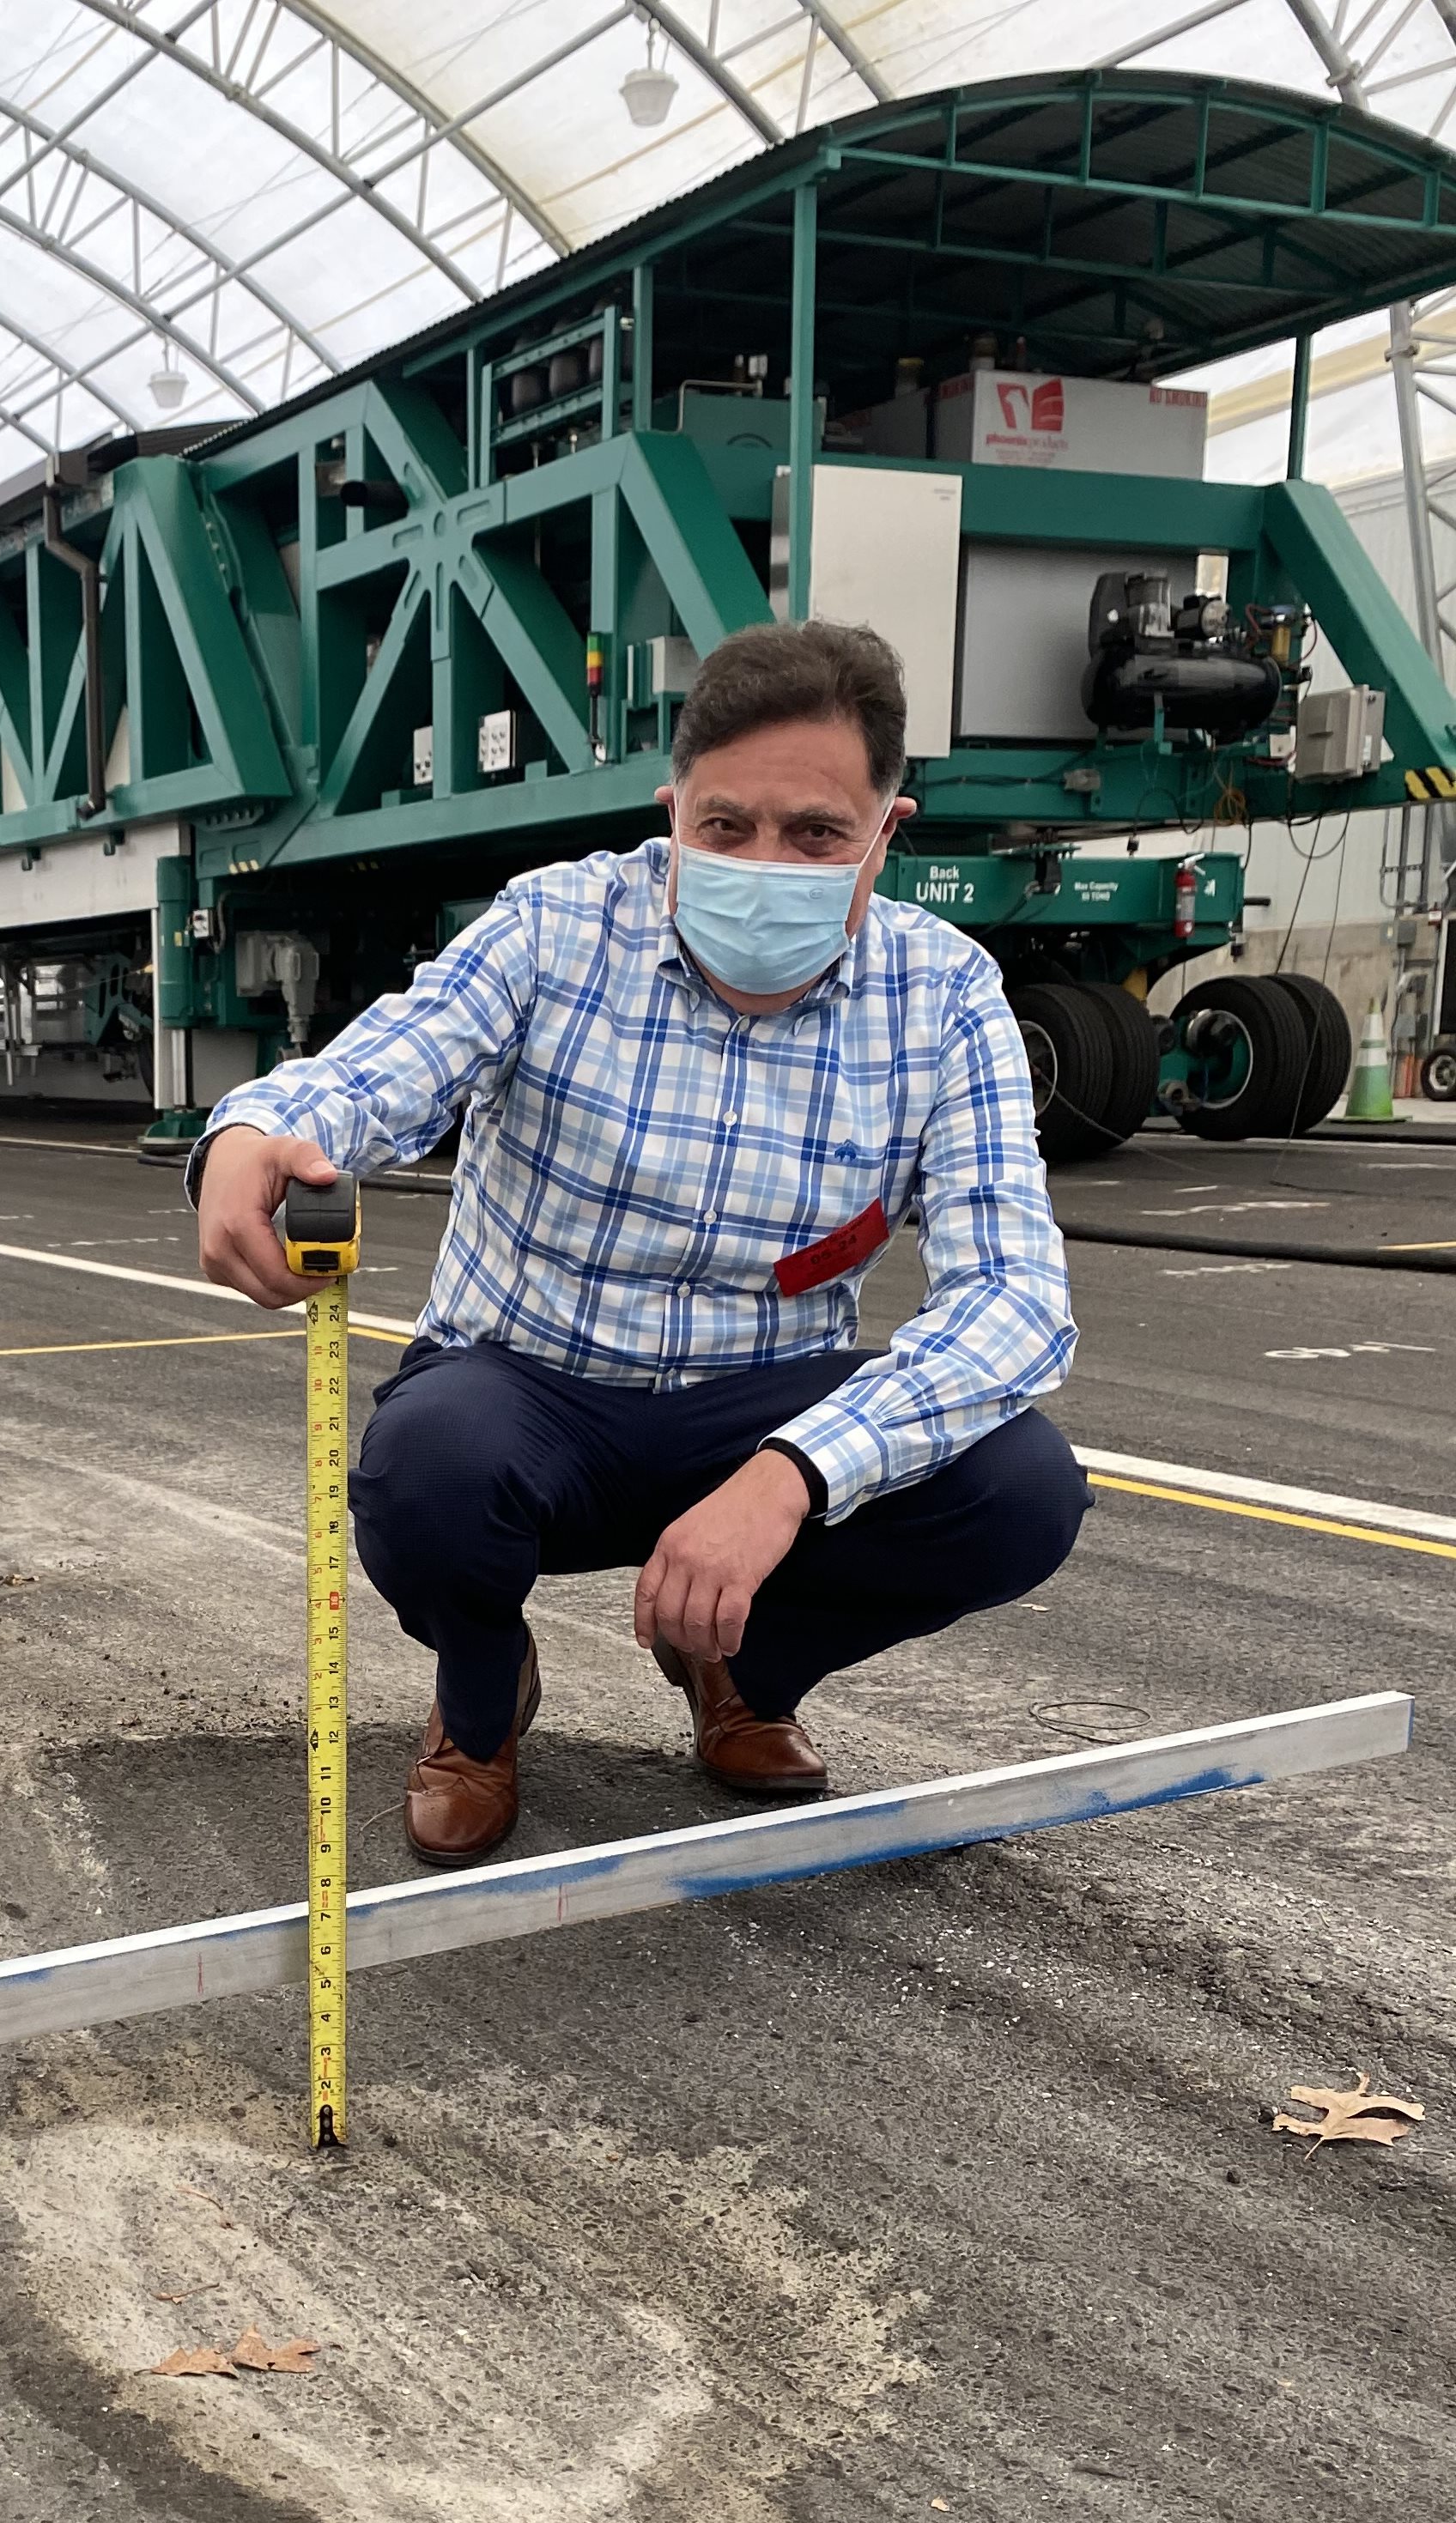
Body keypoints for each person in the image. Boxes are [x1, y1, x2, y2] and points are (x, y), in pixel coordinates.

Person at [191, 620, 1089, 1867]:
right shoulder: (555, 928)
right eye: (725, 828)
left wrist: (792, 1479)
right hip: (531, 1385)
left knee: (1022, 1489)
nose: (765, 863)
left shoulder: (943, 996)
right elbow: (384, 1067)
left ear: (887, 834)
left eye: (817, 833)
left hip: (755, 1413)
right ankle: (481, 1699)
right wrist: (257, 1131)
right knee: (426, 1474)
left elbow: (1015, 1297)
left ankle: (738, 1662)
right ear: (674, 814)